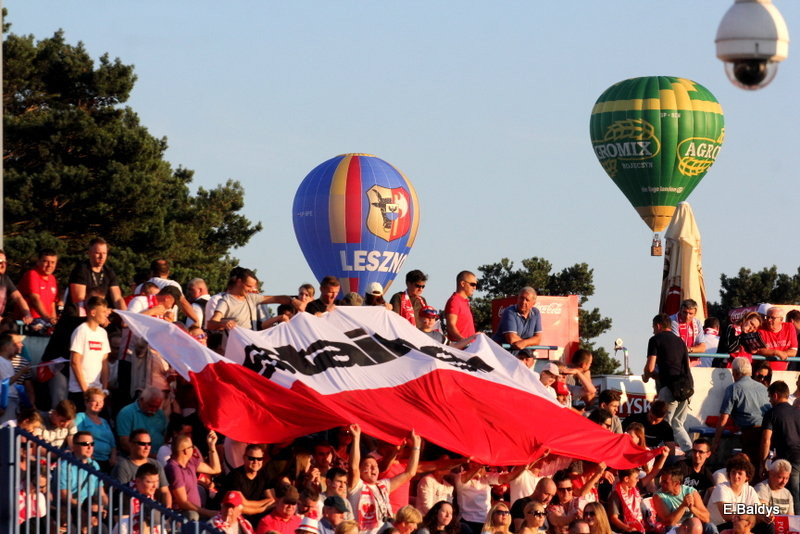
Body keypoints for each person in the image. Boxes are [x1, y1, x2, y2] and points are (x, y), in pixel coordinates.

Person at [347, 424, 421, 534]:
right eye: (368, 466)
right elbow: (353, 467)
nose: (373, 468)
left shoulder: (383, 485)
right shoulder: (357, 485)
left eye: (375, 466)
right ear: (361, 471)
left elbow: (410, 473)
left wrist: (416, 446)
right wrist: (356, 438)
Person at [643, 313, 693, 452]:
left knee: (664, 421)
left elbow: (650, 367)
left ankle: (663, 453)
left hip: (669, 387)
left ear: (658, 326)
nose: (653, 330)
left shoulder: (655, 339)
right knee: (677, 423)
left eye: (653, 327)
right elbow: (684, 364)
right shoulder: (680, 341)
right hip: (687, 387)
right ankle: (690, 451)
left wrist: (647, 376)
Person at [711, 357, 770, 467]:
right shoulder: (763, 388)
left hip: (749, 433)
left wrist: (715, 441)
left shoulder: (733, 388)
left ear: (735, 373)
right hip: (766, 431)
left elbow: (724, 417)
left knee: (747, 468)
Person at [208, 267, 297, 332]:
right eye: (248, 286)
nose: (251, 290)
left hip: (251, 346)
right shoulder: (225, 301)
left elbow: (277, 299)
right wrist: (223, 324)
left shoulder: (251, 297)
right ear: (239, 282)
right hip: (236, 350)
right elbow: (211, 324)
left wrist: (293, 301)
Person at [759, 380, 800, 514]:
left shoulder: (771, 413)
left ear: (775, 395)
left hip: (788, 457)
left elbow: (766, 440)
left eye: (770, 397)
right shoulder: (797, 412)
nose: (770, 400)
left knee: (793, 493)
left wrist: (763, 463)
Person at [63, 237, 127, 317]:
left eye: (104, 253)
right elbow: (79, 299)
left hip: (101, 317)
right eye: (98, 253)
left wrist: (125, 316)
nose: (101, 257)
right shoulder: (81, 270)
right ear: (89, 253)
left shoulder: (109, 272)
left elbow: (117, 298)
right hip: (79, 317)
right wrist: (101, 313)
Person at [68, 295, 111, 411]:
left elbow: (104, 362)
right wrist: (85, 390)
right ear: (92, 312)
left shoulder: (103, 333)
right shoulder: (81, 331)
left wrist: (104, 389)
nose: (106, 314)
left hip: (98, 391)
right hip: (79, 390)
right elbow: (75, 362)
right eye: (103, 311)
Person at [166, 431, 221, 519]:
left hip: (197, 511)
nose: (194, 448)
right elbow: (183, 503)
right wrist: (208, 512)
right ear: (185, 451)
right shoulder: (174, 468)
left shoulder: (190, 461)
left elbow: (215, 469)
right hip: (182, 515)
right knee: (192, 515)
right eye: (191, 447)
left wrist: (211, 446)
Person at [112, 429, 172, 507]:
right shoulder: (123, 466)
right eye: (142, 444)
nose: (147, 447)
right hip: (132, 511)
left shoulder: (156, 464)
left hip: (153, 510)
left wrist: (167, 512)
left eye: (149, 444)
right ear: (131, 444)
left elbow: (165, 492)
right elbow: (123, 495)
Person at [58, 431, 109, 521]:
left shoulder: (95, 465)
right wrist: (84, 510)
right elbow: (65, 496)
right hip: (72, 511)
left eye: (92, 444)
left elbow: (101, 493)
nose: (89, 447)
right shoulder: (64, 465)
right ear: (74, 446)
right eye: (85, 444)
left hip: (91, 509)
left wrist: (105, 507)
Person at [220, 444, 276, 525]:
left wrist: (267, 503)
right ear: (244, 458)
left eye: (259, 459)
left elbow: (272, 499)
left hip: (252, 517)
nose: (256, 462)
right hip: (228, 516)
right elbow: (243, 504)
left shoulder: (265, 475)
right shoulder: (235, 476)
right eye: (251, 458)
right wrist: (263, 507)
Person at [652, 464, 711, 533]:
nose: (661, 484)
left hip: (690, 526)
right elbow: (669, 522)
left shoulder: (691, 491)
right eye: (662, 481)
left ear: (677, 484)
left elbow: (706, 518)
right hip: (672, 529)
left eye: (665, 482)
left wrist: (692, 508)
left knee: (709, 526)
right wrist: (683, 506)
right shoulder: (658, 496)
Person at [707, 456, 761, 529]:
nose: (736, 476)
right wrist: (748, 516)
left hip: (742, 524)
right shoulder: (721, 488)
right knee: (738, 524)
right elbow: (727, 516)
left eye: (740, 473)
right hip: (721, 526)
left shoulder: (750, 490)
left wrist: (766, 516)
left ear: (747, 477)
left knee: (767, 525)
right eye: (733, 472)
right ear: (729, 474)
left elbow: (759, 512)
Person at [116, 386, 168, 455]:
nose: (154, 410)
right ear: (142, 400)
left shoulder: (160, 414)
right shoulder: (127, 413)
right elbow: (124, 443)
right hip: (134, 458)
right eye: (151, 406)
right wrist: (149, 456)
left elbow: (165, 436)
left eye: (157, 407)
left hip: (158, 457)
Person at [74, 387, 116, 471]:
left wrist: (113, 457)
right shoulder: (80, 417)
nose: (98, 404)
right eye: (95, 401)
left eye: (101, 402)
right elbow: (75, 436)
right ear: (87, 403)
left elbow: (113, 444)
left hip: (107, 461)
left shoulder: (104, 421)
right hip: (90, 460)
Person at [17, 248, 59, 327]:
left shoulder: (52, 278)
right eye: (45, 261)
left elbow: (52, 303)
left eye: (53, 262)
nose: (49, 265)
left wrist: (53, 320)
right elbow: (35, 299)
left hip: (46, 321)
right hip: (31, 321)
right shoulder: (32, 274)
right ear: (38, 262)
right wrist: (47, 317)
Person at [493, 287, 543, 354]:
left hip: (520, 356)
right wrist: (530, 344)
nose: (523, 302)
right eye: (521, 298)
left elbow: (538, 339)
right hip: (502, 354)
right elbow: (512, 339)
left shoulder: (536, 312)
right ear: (517, 298)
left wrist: (524, 343)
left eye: (527, 300)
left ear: (533, 303)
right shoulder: (509, 311)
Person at [754, 306, 797, 371]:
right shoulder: (760, 329)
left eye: (772, 318)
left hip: (783, 371)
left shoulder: (789, 327)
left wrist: (779, 353)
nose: (769, 320)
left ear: (781, 319)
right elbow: (760, 350)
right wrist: (776, 352)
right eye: (767, 317)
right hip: (763, 372)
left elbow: (793, 352)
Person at [0, 333, 31, 424]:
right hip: (5, 399)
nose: (16, 347)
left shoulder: (8, 361)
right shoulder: (1, 361)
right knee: (7, 426)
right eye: (13, 345)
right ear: (5, 347)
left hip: (12, 398)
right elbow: (6, 382)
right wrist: (21, 372)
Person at [0, 249, 34, 326]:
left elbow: (18, 297)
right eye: (0, 262)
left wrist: (27, 314)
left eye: (5, 262)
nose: (3, 265)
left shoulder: (5, 279)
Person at [606, 468, 645, 534]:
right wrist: (628, 528)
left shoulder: (635, 493)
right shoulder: (615, 495)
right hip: (622, 531)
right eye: (636, 478)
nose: (638, 480)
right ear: (626, 479)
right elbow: (614, 518)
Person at [444, 271, 478, 343]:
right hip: (461, 350)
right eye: (472, 284)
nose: (475, 288)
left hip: (469, 348)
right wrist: (463, 341)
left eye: (475, 285)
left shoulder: (465, 302)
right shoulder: (454, 301)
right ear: (463, 283)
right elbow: (451, 326)